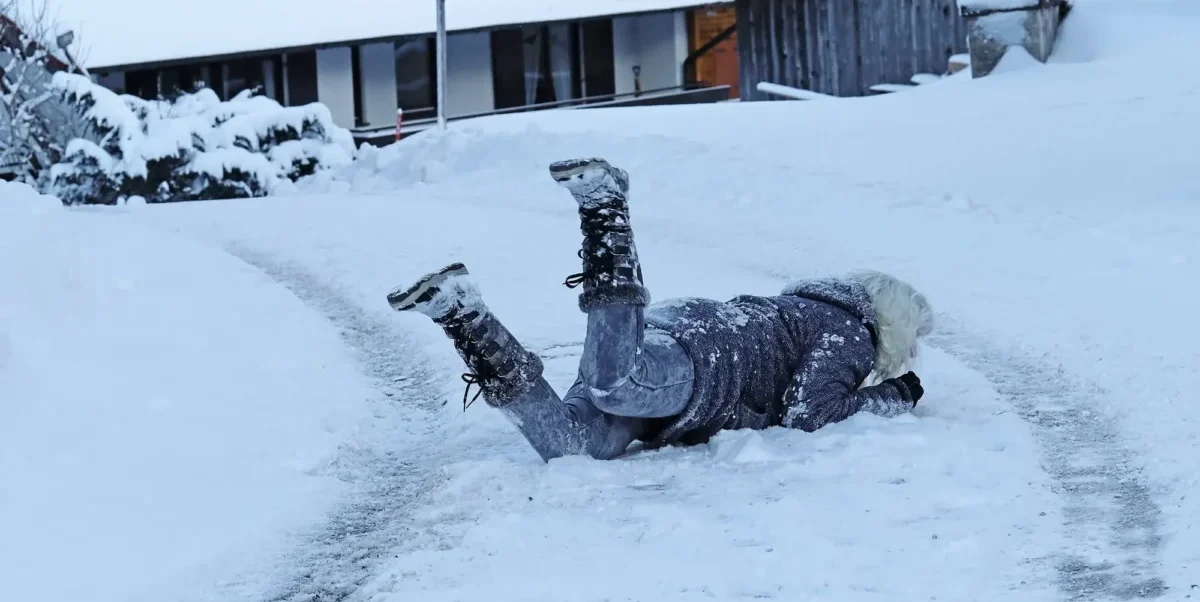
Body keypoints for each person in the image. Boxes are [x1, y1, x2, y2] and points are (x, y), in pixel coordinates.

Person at [387, 158, 933, 462]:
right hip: (706, 354)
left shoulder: (816, 312)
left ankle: (462, 315)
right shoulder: (847, 330)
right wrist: (893, 395)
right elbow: (810, 414)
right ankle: (606, 212)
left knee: (573, 448)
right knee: (614, 381)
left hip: (675, 374)